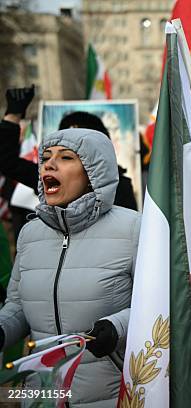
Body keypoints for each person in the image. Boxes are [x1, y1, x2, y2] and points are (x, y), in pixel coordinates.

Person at [0, 128, 140, 407]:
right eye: (46, 158)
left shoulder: (134, 228)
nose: (49, 164)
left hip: (111, 394)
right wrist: (2, 328)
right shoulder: (30, 233)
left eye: (65, 158)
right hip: (42, 395)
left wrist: (116, 327)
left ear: (93, 173)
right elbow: (18, 306)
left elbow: (159, 304)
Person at [0, 86, 138, 211]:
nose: (49, 165)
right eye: (47, 157)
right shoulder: (34, 232)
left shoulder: (119, 187)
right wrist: (13, 115)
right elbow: (7, 161)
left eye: (67, 156)